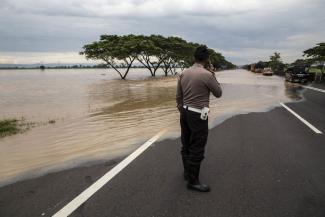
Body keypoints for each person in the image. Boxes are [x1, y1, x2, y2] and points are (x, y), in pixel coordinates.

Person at [176, 45, 222, 192]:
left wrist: (182, 111)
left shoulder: (183, 73)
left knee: (186, 143)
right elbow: (218, 93)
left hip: (184, 111)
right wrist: (213, 74)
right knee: (197, 146)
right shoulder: (207, 75)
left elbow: (178, 96)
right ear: (207, 59)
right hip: (198, 114)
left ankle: (187, 173)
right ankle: (193, 181)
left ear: (194, 57)